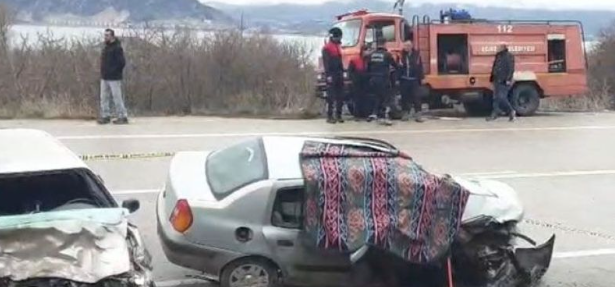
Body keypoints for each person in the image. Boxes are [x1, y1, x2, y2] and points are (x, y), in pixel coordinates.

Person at [98, 28, 128, 125]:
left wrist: (114, 71)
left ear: (112, 36)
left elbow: (122, 62)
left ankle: (122, 116)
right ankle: (105, 116)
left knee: (117, 97)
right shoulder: (106, 48)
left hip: (114, 77)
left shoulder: (117, 48)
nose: (105, 37)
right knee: (104, 97)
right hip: (104, 77)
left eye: (107, 35)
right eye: (105, 35)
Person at [367, 38, 398, 126]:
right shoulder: (387, 55)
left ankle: (374, 113)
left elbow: (368, 67)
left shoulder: (371, 55)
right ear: (384, 44)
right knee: (385, 98)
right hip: (383, 79)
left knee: (377, 97)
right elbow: (394, 65)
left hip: (373, 79)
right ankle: (384, 115)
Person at [322, 27, 345, 124]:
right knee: (331, 96)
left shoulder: (338, 46)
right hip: (332, 74)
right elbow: (326, 63)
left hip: (339, 74)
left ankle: (338, 115)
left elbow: (340, 62)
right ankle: (329, 116)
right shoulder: (327, 48)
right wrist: (328, 75)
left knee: (340, 95)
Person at [488, 43, 516, 122]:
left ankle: (511, 111)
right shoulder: (498, 56)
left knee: (502, 97)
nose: (497, 48)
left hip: (504, 80)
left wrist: (508, 79)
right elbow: (495, 67)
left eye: (499, 47)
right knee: (496, 98)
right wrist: (492, 77)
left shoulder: (509, 56)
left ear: (503, 48)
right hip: (496, 79)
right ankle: (494, 114)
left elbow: (511, 69)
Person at [399, 40, 425, 123]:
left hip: (414, 80)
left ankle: (418, 115)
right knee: (404, 98)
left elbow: (420, 67)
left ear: (411, 46)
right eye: (405, 46)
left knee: (416, 97)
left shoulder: (417, 55)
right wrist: (397, 79)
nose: (406, 47)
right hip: (404, 79)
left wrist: (421, 78)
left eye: (408, 46)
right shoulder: (400, 55)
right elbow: (398, 68)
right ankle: (405, 114)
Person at [348, 45, 371, 120]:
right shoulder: (355, 59)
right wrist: (353, 79)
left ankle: (366, 114)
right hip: (357, 80)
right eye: (366, 50)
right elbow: (350, 71)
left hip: (366, 80)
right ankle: (357, 115)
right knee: (357, 98)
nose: (368, 52)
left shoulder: (369, 60)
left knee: (366, 98)